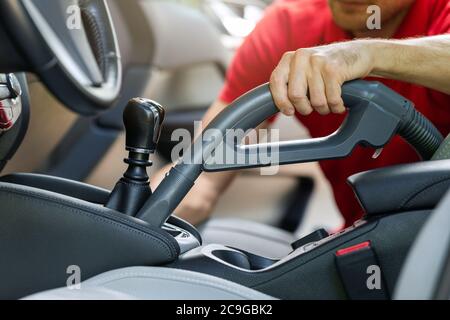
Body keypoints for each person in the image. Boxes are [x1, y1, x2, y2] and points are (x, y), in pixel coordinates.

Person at [153, 0, 450, 227]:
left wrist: (369, 54)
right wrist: (136, 220)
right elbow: (203, 176)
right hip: (362, 238)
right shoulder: (289, 25)